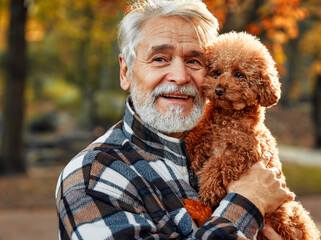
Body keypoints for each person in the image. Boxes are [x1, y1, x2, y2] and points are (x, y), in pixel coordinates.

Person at [55, 0, 294, 239]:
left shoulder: (237, 152)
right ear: (125, 72)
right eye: (160, 58)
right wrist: (247, 204)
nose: (180, 77)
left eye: (194, 61)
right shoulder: (94, 175)